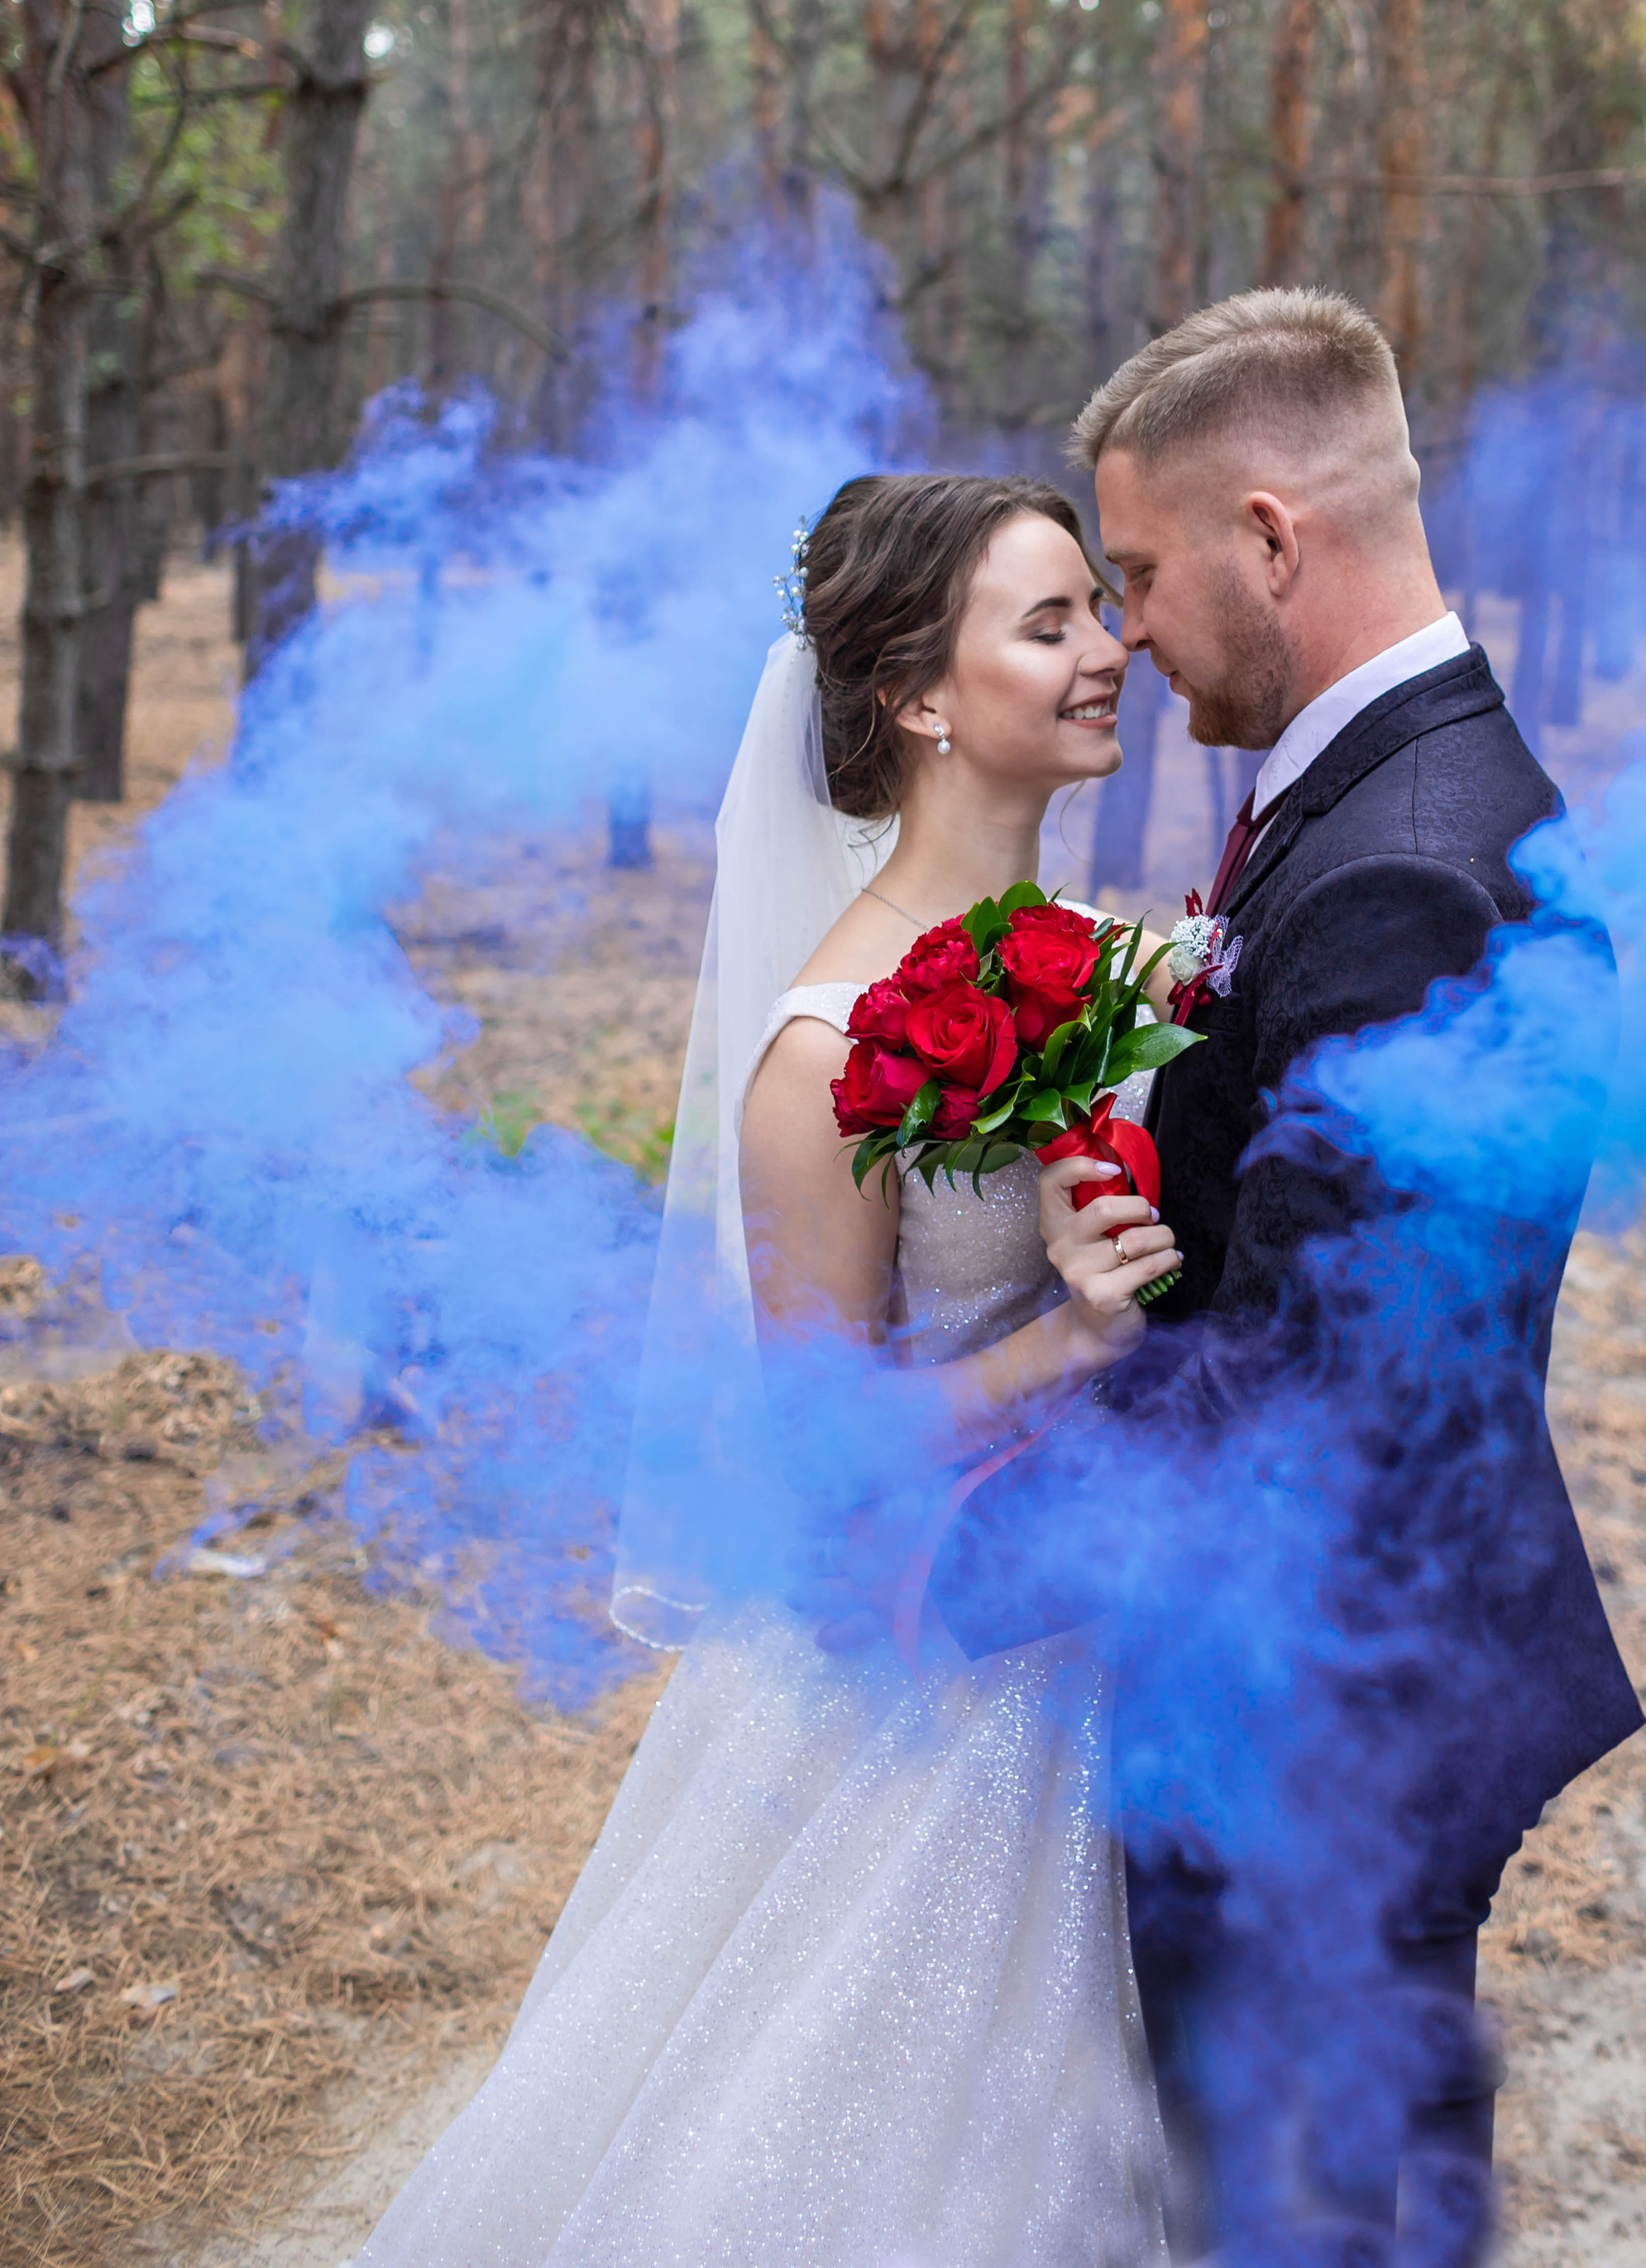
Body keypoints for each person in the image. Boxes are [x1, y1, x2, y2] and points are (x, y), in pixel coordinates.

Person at [351, 472, 1180, 2268]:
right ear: (918, 695)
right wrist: (1067, 1339)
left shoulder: (1111, 966)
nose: (1109, 649)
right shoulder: (822, 1055)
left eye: (1100, 611)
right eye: (1048, 623)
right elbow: (820, 1453)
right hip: (935, 1686)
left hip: (1119, 1632)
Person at [930, 289, 1645, 2268]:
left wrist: (957, 1560)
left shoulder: (1400, 861)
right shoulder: (1382, 793)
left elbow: (1313, 1379)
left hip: (1320, 1729)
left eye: (1141, 574)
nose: (1127, 631)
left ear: (1268, 536)